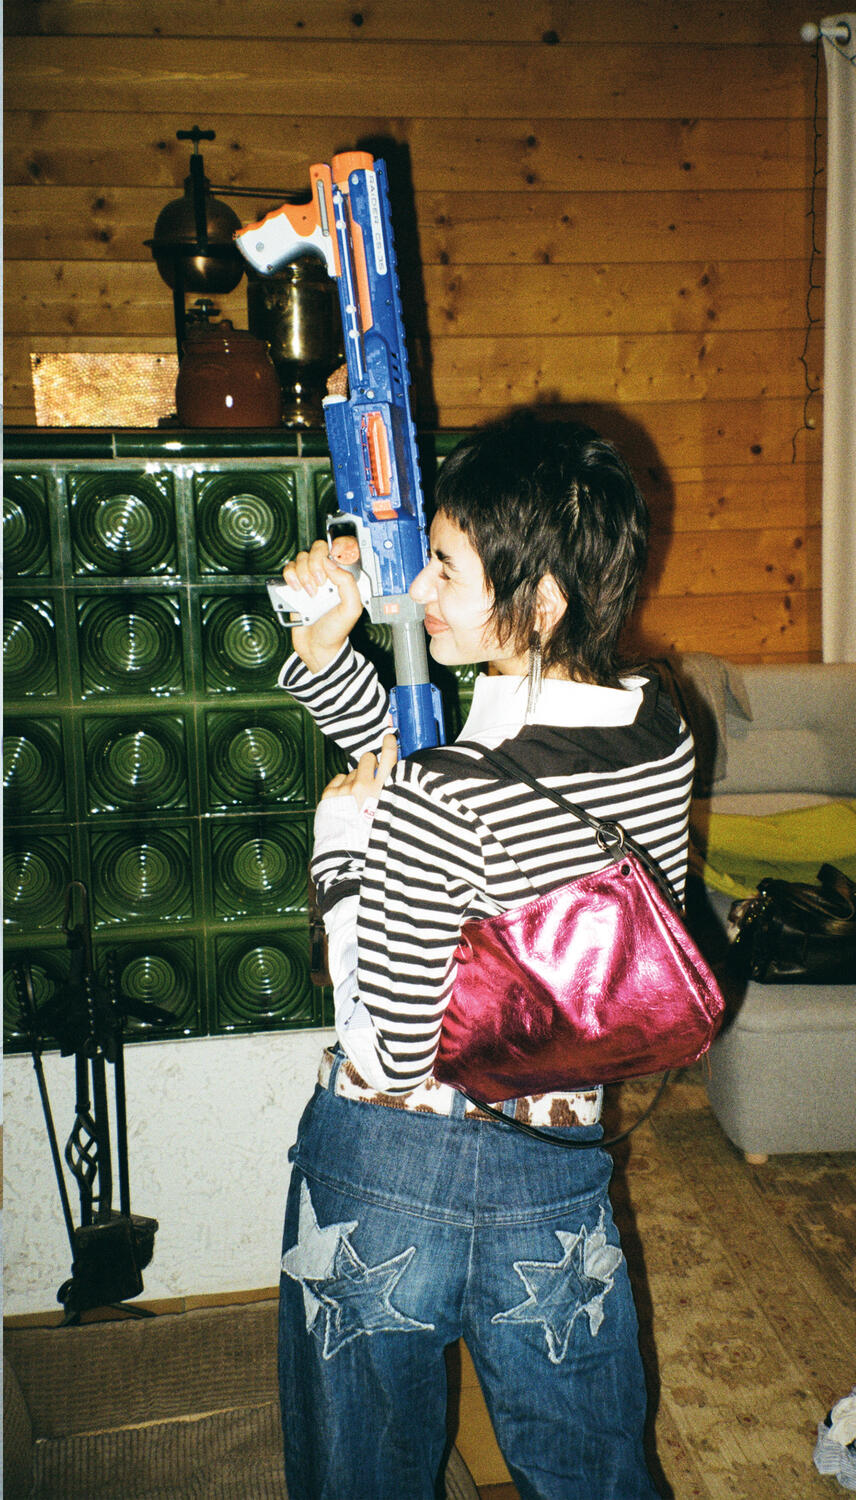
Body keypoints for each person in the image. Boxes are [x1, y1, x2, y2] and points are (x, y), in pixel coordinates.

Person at [274, 411, 694, 1498]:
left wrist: (339, 845)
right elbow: (475, 786)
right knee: (593, 1470)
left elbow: (391, 1046)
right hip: (553, 1167)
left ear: (539, 600)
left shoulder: (446, 798)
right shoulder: (661, 732)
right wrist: (327, 664)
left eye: (446, 571)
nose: (417, 591)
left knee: (362, 1475)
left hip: (385, 1171)